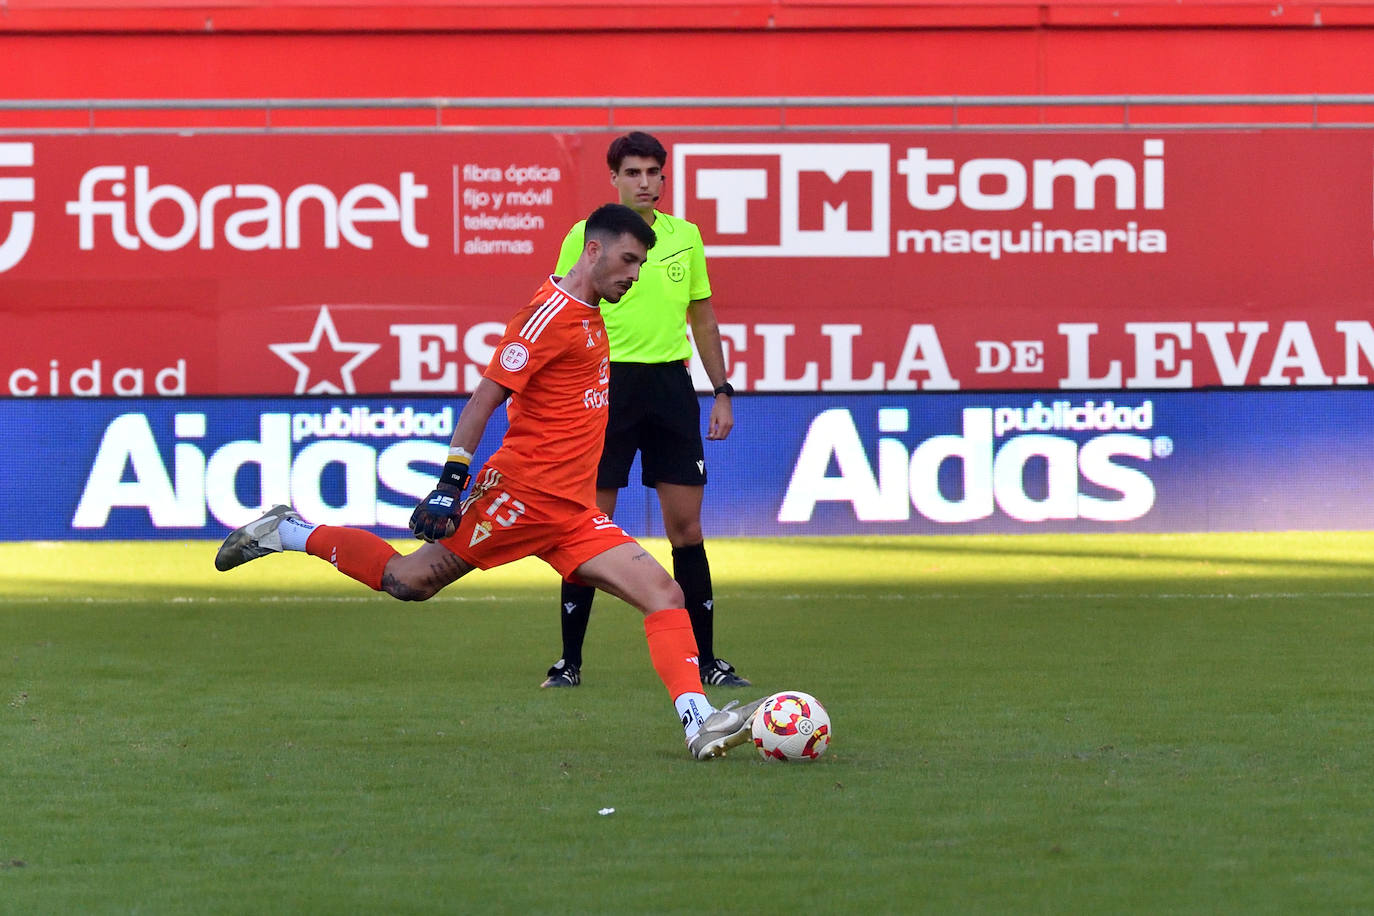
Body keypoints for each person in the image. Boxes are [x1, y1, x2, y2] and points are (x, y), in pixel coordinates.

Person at [214, 203, 764, 760]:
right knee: (409, 581)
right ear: (592, 250)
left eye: (642, 265)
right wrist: (452, 480)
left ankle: (699, 723)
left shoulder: (594, 314)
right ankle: (289, 531)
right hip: (518, 498)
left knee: (665, 595)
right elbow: (486, 396)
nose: (634, 274)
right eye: (628, 260)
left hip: (571, 514)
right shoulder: (548, 315)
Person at [540, 131, 749, 691]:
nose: (645, 182)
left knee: (687, 528)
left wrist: (722, 389)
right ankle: (569, 663)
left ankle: (708, 661)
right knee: (586, 525)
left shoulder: (686, 238)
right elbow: (563, 308)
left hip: (670, 388)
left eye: (653, 172)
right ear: (613, 177)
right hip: (604, 387)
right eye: (632, 173)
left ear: (663, 177)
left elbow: (702, 320)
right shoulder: (587, 237)